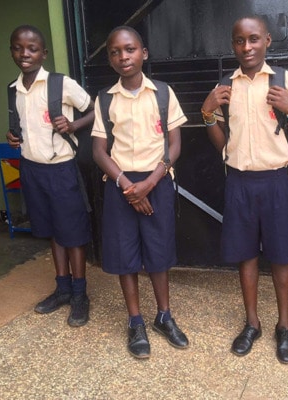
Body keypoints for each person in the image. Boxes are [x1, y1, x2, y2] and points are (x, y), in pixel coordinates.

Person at [201, 16, 288, 363]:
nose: (246, 47)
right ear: (233, 45)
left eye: (253, 40)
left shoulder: (284, 80)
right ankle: (252, 323)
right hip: (239, 182)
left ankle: (284, 327)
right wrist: (207, 113)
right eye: (239, 41)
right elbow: (221, 143)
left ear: (267, 41)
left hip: (275, 181)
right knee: (246, 255)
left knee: (280, 256)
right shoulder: (225, 86)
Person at [91, 26, 189, 359]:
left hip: (156, 180)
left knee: (158, 253)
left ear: (143, 53)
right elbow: (100, 151)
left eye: (130, 49)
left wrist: (148, 183)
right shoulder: (105, 99)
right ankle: (135, 322)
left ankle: (164, 315)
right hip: (119, 184)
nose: (123, 56)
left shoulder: (162, 93)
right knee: (125, 257)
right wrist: (126, 185)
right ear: (110, 58)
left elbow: (175, 144)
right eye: (116, 51)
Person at [6, 25, 95, 327]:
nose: (25, 54)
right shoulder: (13, 90)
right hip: (32, 169)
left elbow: (95, 110)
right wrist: (13, 137)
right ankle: (63, 289)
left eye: (32, 48)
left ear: (43, 53)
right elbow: (20, 126)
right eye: (19, 48)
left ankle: (81, 294)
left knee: (72, 232)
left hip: (62, 170)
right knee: (53, 231)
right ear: (12, 52)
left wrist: (73, 125)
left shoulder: (60, 84)